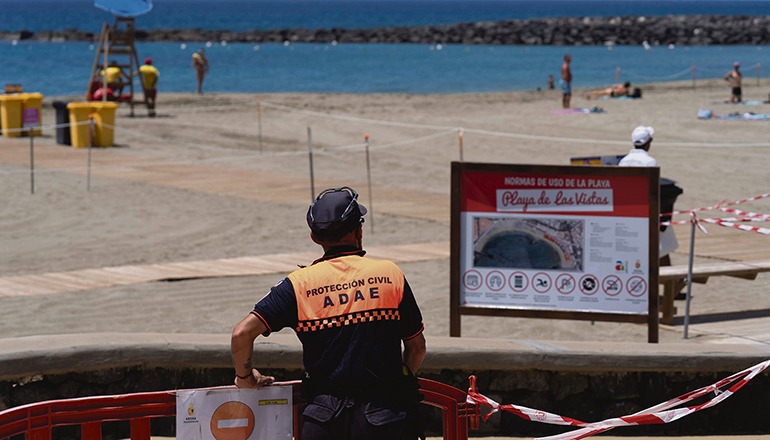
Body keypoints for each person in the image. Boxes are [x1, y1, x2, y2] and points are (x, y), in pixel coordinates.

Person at [231, 186, 427, 440]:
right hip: (383, 419)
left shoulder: (298, 284)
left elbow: (241, 333)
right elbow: (417, 347)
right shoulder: (390, 274)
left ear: (314, 237)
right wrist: (402, 379)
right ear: (359, 231)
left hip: (323, 421)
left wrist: (245, 377)